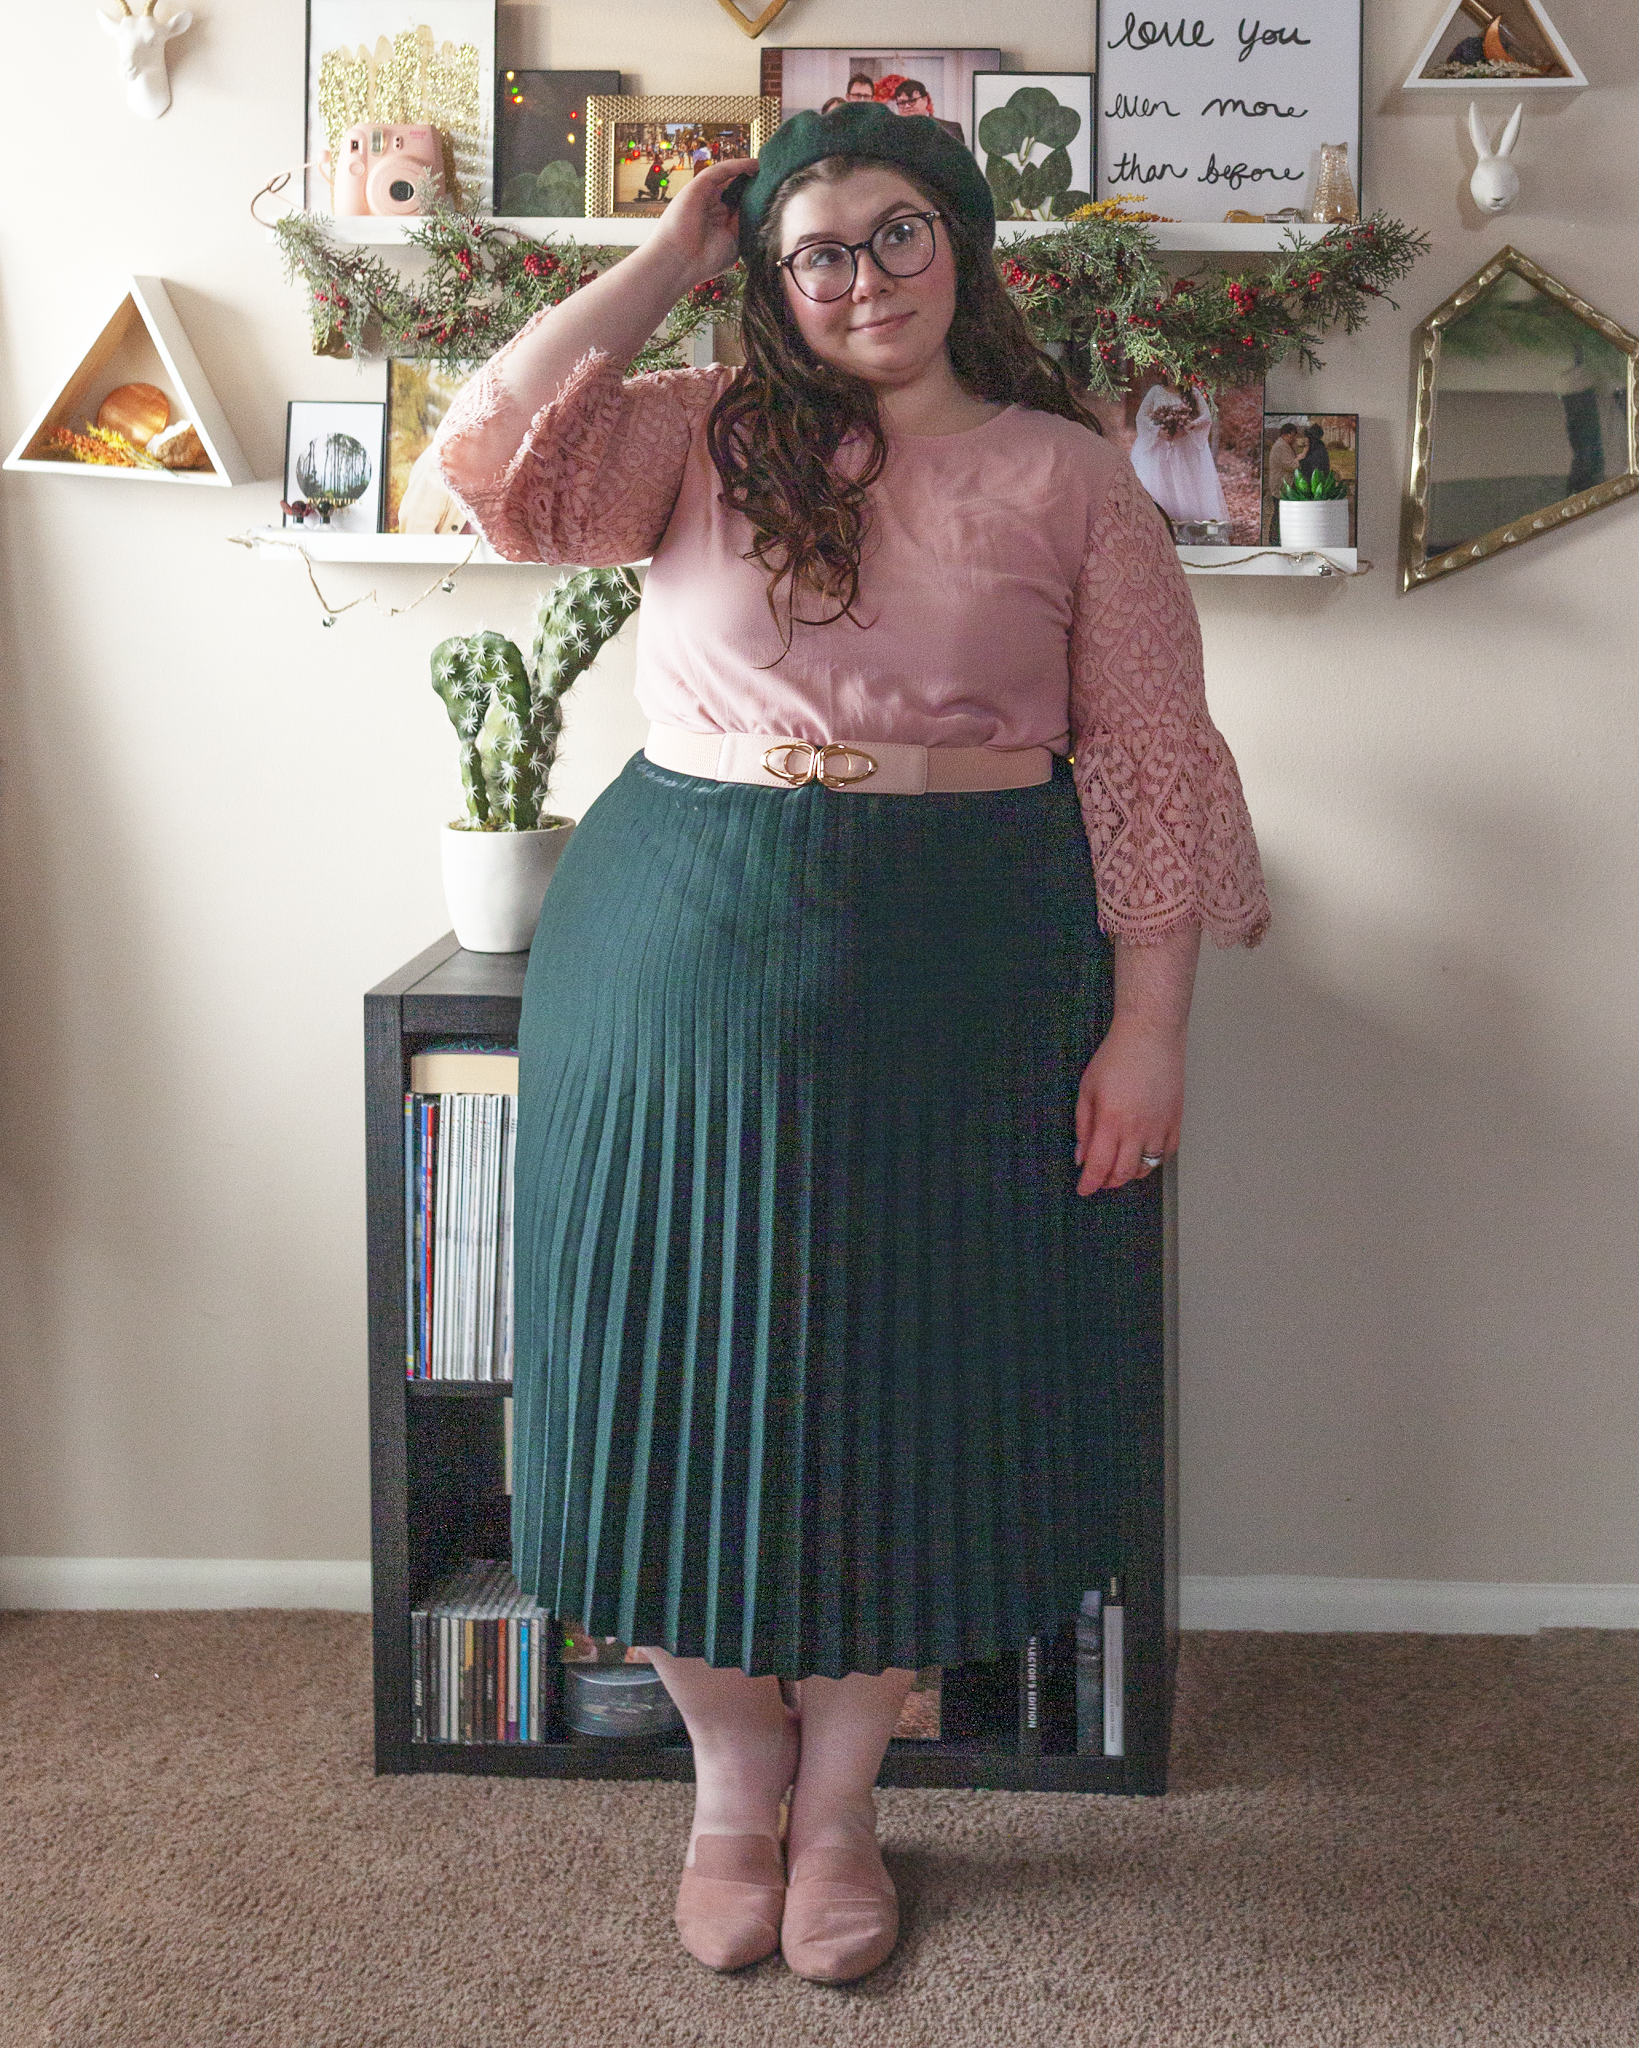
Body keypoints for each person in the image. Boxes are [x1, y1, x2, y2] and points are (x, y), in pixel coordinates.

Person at [433, 101, 1267, 1987]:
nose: (861, 277)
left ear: (959, 245)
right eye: (815, 250)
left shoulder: (1065, 474)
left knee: (918, 1369)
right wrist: (666, 256)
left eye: (896, 234)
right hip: (674, 931)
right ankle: (730, 1784)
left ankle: (842, 1800)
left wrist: (1147, 1029)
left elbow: (1142, 765)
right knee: (668, 1358)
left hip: (975, 940)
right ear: (771, 278)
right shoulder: (694, 437)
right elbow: (475, 455)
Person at [1130, 380, 1230, 528]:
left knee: (1184, 487)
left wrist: (1189, 426)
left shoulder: (1192, 392)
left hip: (1184, 448)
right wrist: (1159, 431)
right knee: (1160, 484)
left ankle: (1186, 529)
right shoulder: (1156, 391)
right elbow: (1141, 416)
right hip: (1159, 449)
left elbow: (1206, 416)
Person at [890, 76, 966, 141]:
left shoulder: (949, 130)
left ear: (925, 100)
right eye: (902, 102)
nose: (907, 106)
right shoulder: (890, 133)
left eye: (912, 101)